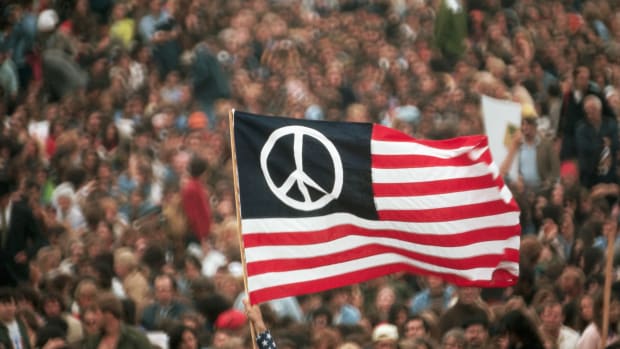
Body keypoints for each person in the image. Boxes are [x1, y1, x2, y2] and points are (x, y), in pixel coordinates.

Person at [0, 180, 46, 287]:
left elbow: (40, 239)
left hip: (17, 271)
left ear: (8, 197)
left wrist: (27, 253)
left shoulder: (23, 213)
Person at [575, 94, 618, 189]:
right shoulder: (581, 129)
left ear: (600, 109)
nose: (590, 114)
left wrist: (605, 146)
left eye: (593, 110)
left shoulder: (611, 124)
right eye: (587, 111)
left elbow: (615, 145)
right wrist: (605, 145)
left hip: (610, 174)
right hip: (590, 175)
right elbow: (585, 148)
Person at [81, 292, 152, 349]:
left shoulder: (136, 339)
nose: (93, 318)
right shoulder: (93, 341)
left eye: (96, 313)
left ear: (109, 315)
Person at [181, 156, 212, 244]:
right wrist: (202, 237)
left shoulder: (198, 186)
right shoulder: (191, 189)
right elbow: (193, 216)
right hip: (197, 236)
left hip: (203, 233)